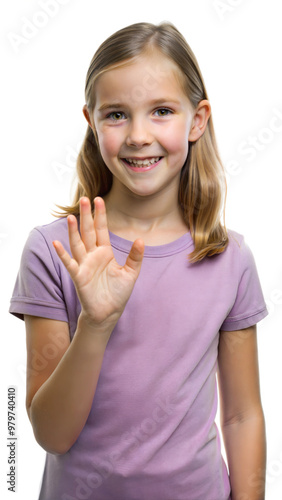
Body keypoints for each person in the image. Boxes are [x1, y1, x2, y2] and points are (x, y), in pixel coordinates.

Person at [9, 22, 268, 500]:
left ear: (197, 120)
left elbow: (241, 414)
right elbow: (51, 434)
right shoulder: (55, 251)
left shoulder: (230, 259)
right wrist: (96, 323)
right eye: (116, 115)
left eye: (162, 111)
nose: (138, 135)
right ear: (91, 122)